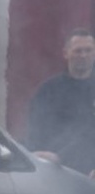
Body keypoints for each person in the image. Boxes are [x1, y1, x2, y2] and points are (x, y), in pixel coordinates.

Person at [26, 29, 95, 174]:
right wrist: (39, 157)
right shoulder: (49, 90)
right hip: (55, 171)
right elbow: (35, 129)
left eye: (88, 50)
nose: (83, 55)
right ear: (66, 53)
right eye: (78, 51)